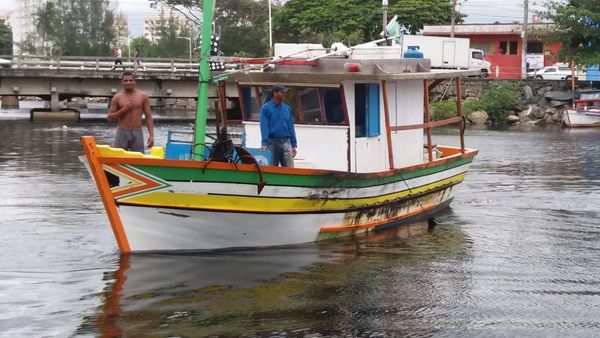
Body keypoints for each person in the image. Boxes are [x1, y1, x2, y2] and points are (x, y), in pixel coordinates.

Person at [107, 71, 154, 153]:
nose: (128, 82)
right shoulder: (117, 97)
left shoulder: (143, 96)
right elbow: (110, 118)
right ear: (122, 82)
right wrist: (124, 109)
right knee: (118, 157)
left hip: (137, 132)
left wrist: (151, 136)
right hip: (122, 132)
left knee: (138, 160)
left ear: (135, 82)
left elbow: (148, 116)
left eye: (130, 80)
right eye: (126, 80)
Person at [259, 84, 297, 167]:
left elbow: (291, 127)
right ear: (275, 93)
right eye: (282, 92)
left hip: (287, 142)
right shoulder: (266, 108)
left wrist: (294, 145)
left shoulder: (287, 108)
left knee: (290, 170)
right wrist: (264, 143)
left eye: (285, 92)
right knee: (272, 169)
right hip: (272, 142)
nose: (285, 94)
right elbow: (264, 126)